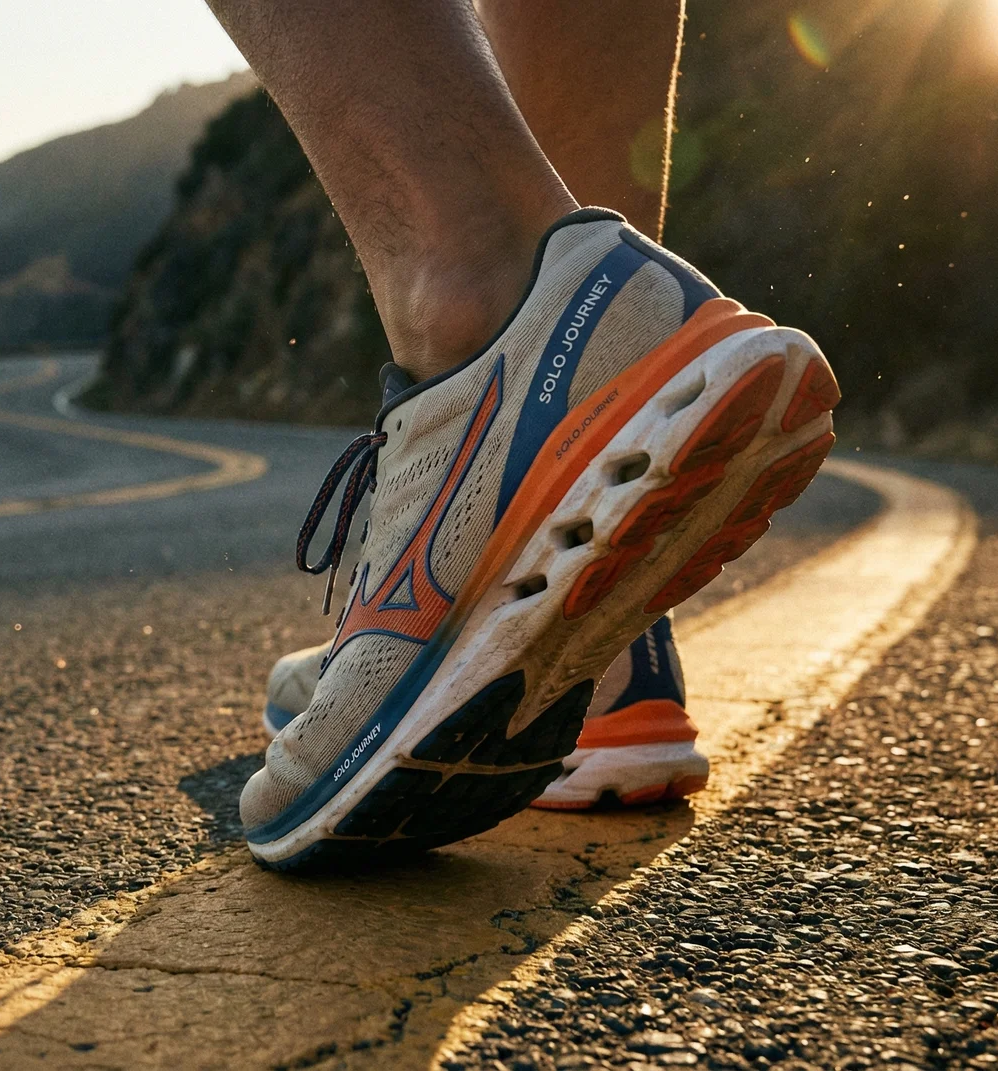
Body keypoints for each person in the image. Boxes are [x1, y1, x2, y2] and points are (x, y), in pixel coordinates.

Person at [203, 0, 842, 870]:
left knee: (466, 283)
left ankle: (471, 298)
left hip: (496, 337)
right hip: (592, 333)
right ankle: (601, 600)